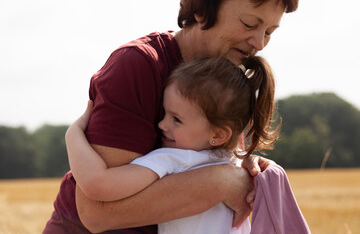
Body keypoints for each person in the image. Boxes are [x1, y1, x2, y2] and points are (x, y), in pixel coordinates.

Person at [43, 0, 300, 233]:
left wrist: (247, 172)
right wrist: (220, 182)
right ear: (202, 9)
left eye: (269, 31)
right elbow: (96, 213)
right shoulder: (138, 65)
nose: (260, 43)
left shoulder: (226, 82)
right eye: (248, 24)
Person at [66, 56, 279, 234]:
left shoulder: (174, 159)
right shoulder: (240, 164)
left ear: (219, 134)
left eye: (176, 119)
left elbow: (98, 184)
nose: (161, 124)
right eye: (164, 112)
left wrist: (73, 134)